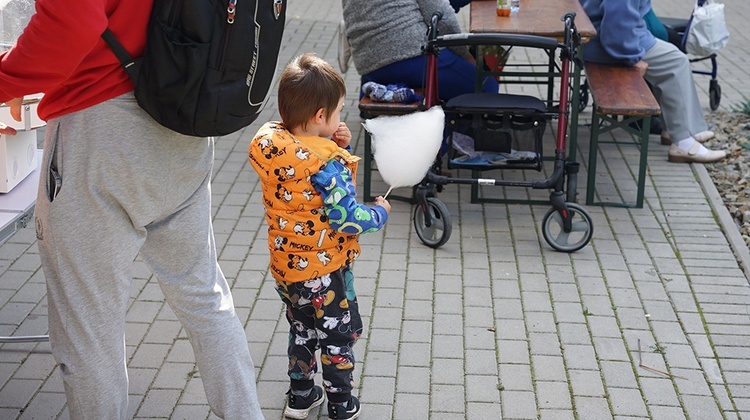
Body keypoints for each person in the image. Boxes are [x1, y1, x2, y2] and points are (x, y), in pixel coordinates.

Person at [0, 1, 264, 419]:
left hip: (100, 128)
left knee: (90, 330)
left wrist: (8, 78)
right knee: (205, 300)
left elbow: (72, 21)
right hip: (183, 110)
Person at [248, 53, 390, 420]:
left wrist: (333, 140)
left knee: (302, 331)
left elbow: (304, 171)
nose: (342, 119)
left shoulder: (278, 148)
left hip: (287, 268)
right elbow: (347, 218)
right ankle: (341, 404)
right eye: (339, 112)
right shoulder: (328, 167)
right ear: (320, 117)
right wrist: (379, 213)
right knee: (337, 337)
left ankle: (300, 397)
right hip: (325, 271)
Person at [580, 0, 726, 163]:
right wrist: (631, 58)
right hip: (607, 43)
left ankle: (674, 131)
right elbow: (617, 27)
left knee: (673, 57)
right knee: (675, 62)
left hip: (602, 35)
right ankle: (683, 142)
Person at [341, 0, 498, 101]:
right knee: (486, 85)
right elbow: (444, 19)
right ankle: (454, 143)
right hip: (410, 55)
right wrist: (465, 54)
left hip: (369, 66)